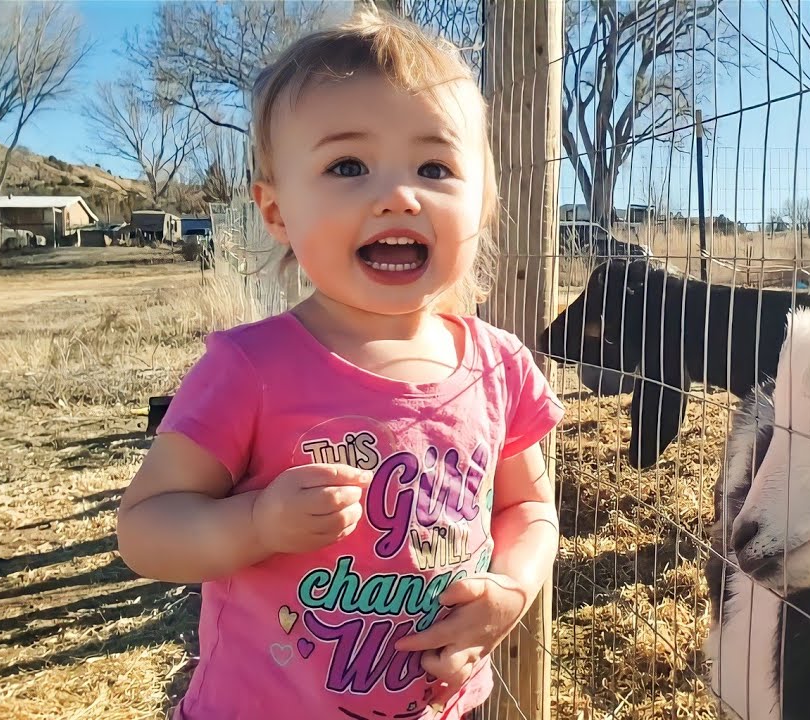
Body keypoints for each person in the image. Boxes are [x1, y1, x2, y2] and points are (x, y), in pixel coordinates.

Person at [116, 6, 565, 719]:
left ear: (482, 203)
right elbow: (144, 529)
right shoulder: (250, 368)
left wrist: (509, 592)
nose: (398, 195)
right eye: (347, 165)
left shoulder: (498, 366)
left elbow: (529, 507)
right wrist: (256, 525)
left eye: (435, 166)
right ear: (276, 213)